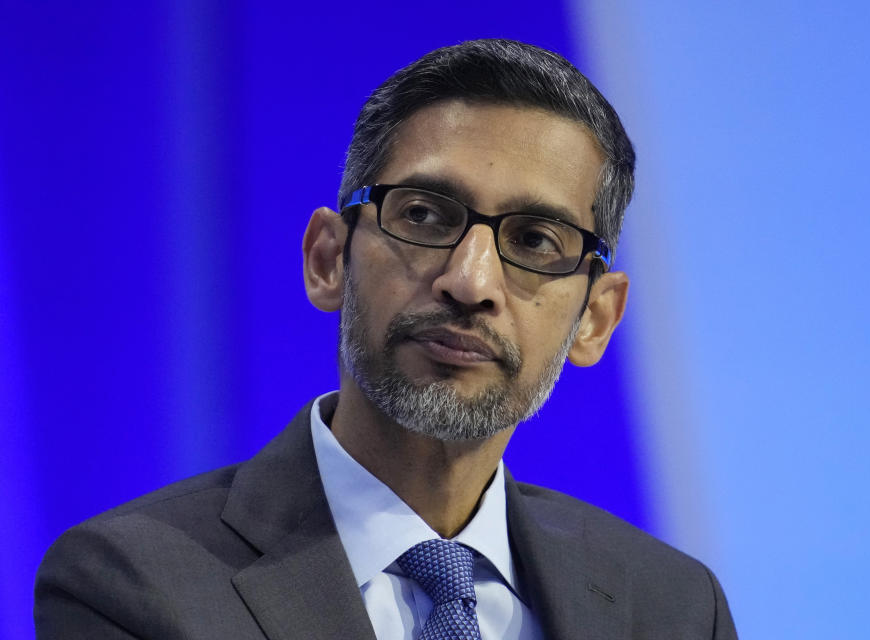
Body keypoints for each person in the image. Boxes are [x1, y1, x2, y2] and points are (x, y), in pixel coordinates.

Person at [35, 39, 737, 639]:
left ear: (595, 319)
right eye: (426, 215)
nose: (471, 281)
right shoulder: (133, 585)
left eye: (535, 239)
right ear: (328, 260)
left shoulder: (672, 607)